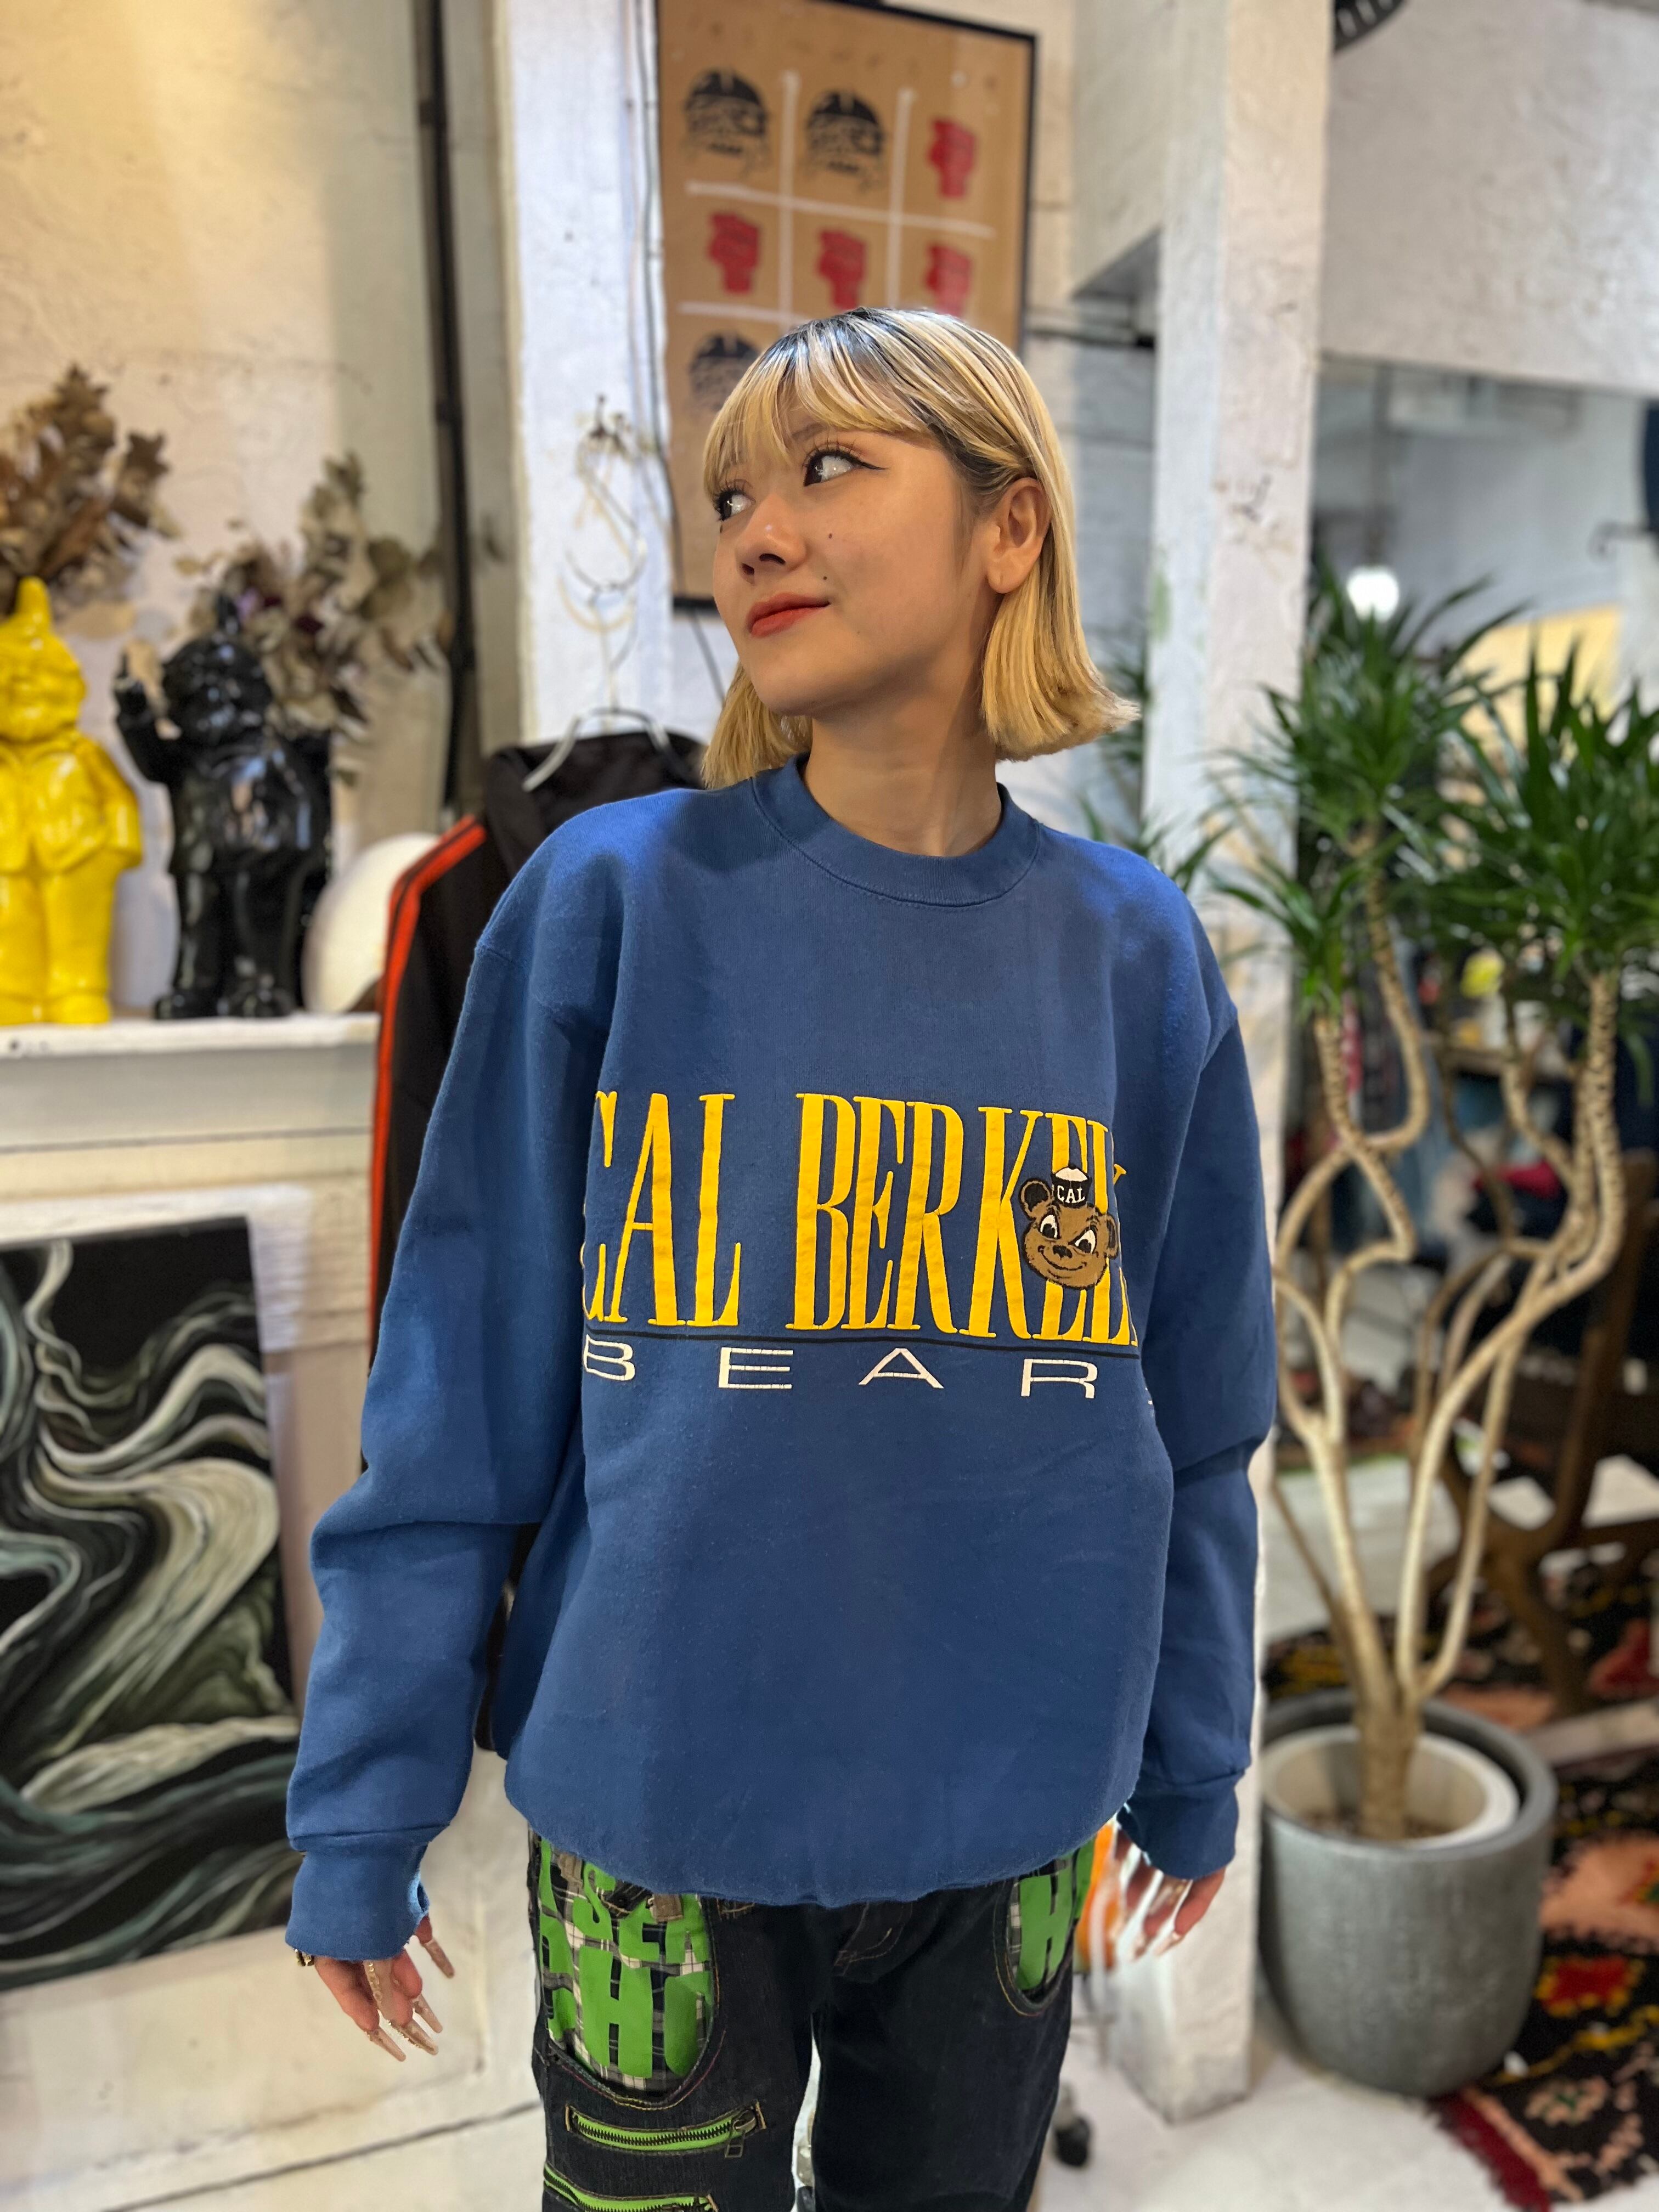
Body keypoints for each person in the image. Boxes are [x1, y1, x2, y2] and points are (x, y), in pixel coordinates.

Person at [285, 306, 1277, 2211]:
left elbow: (1201, 1406)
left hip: (1010, 1818)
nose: (756, 529)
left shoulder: (1134, 954)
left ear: (1010, 528)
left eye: (830, 469)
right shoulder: (609, 903)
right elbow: (457, 1398)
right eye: (734, 491)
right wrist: (363, 1805)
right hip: (658, 1809)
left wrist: (1191, 1755)